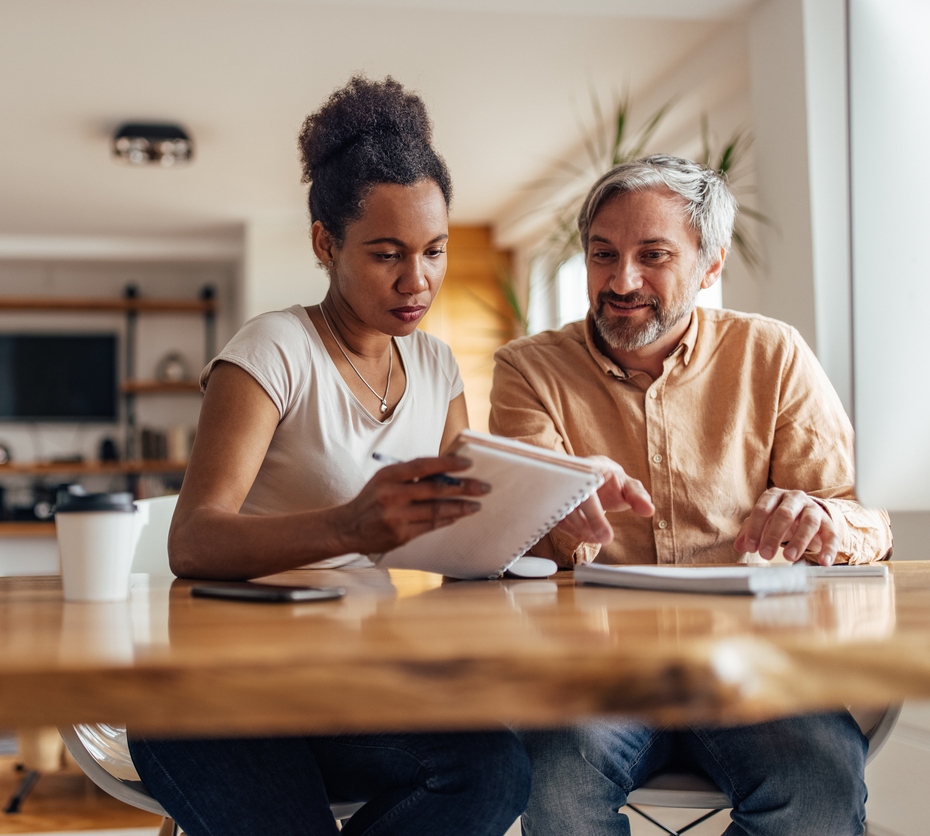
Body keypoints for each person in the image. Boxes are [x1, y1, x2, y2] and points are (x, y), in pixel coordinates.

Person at [126, 75, 531, 836]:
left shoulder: (438, 368)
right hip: (217, 699)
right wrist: (350, 527)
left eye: (435, 251)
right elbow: (193, 539)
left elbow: (459, 534)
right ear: (324, 242)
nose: (418, 281)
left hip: (345, 691)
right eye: (386, 254)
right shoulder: (272, 351)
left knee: (495, 768)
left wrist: (539, 520)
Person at [490, 154, 892, 836]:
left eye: (653, 256)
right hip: (598, 671)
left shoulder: (773, 354)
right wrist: (560, 505)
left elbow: (863, 524)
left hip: (752, 663)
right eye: (602, 254)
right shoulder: (527, 370)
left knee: (818, 788)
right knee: (553, 789)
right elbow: (514, 541)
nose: (621, 281)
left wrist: (820, 515)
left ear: (709, 265)